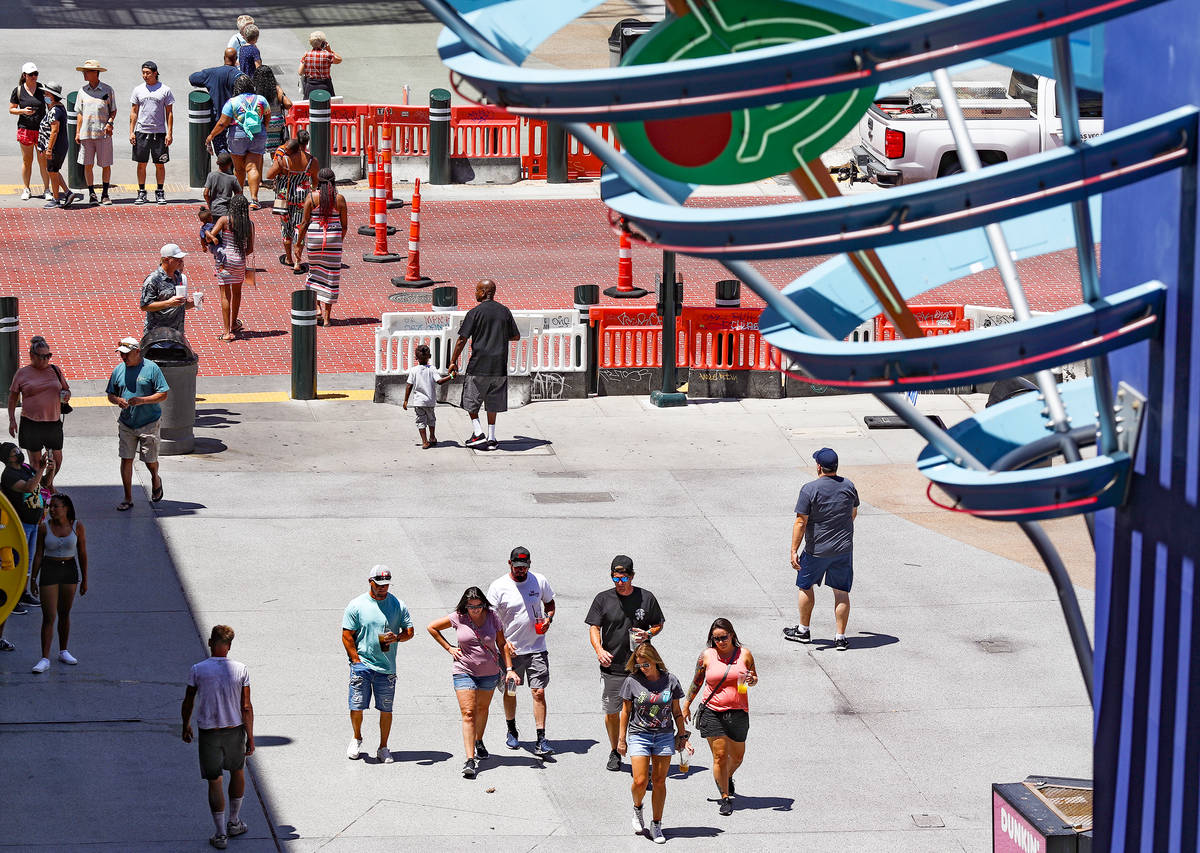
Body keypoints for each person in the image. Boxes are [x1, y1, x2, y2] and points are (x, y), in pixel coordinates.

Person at [585, 555, 666, 772]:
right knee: (612, 711)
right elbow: (594, 626)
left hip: (640, 668)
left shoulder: (646, 598)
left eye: (623, 579)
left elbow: (659, 623)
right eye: (615, 578)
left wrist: (648, 633)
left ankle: (642, 756)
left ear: (632, 576)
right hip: (612, 666)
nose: (619, 583)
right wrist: (599, 649)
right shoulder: (603, 599)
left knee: (642, 712)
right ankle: (615, 750)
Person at [427, 586, 515, 779]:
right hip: (464, 670)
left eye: (478, 606)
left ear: (484, 604)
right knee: (468, 713)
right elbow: (431, 627)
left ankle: (479, 740)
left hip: (489, 672)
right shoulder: (459, 617)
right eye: (471, 606)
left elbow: (502, 643)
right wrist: (449, 647)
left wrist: (509, 669)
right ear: (465, 606)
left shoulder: (492, 616)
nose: (475, 610)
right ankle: (469, 759)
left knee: (482, 709)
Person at [181, 625, 254, 851]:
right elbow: (246, 707)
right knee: (238, 772)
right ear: (229, 646)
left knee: (215, 781)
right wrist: (250, 737)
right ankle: (234, 821)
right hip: (234, 730)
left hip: (209, 732)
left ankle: (220, 834)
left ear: (211, 642)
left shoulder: (198, 669)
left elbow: (188, 701)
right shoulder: (241, 669)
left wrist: (185, 725)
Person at [783, 447, 860, 651]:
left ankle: (803, 630)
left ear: (818, 466)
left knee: (805, 586)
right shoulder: (849, 486)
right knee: (841, 592)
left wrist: (793, 550)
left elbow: (801, 521)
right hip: (843, 549)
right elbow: (853, 513)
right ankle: (841, 637)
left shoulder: (810, 489)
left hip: (816, 550)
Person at [680, 619, 758, 816]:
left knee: (737, 757)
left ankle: (727, 776)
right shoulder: (707, 656)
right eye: (715, 639)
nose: (720, 642)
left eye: (724, 637)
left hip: (738, 712)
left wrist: (752, 680)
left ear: (732, 635)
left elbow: (752, 678)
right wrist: (686, 705)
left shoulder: (745, 654)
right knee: (720, 756)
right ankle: (725, 797)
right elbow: (697, 681)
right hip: (712, 712)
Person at [486, 546, 556, 756]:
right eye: (517, 567)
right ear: (510, 564)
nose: (520, 571)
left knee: (539, 692)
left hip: (537, 648)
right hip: (510, 650)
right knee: (510, 691)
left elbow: (550, 603)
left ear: (529, 565)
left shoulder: (539, 580)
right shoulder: (499, 586)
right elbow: (489, 618)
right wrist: (503, 642)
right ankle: (511, 730)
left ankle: (541, 738)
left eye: (524, 567)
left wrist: (548, 619)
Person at [342, 566, 414, 764]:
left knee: (386, 709)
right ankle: (356, 738)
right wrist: (355, 660)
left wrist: (397, 637)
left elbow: (410, 631)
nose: (383, 588)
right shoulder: (357, 605)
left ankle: (383, 747)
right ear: (370, 582)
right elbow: (347, 635)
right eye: (379, 584)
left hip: (387, 667)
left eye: (386, 585)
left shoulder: (398, 605)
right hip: (362, 665)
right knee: (356, 705)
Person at [618, 642, 688, 845]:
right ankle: (637, 808)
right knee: (640, 780)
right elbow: (625, 712)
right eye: (639, 666)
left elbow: (676, 712)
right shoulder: (632, 681)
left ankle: (656, 823)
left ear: (655, 661)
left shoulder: (670, 680)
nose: (642, 669)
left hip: (664, 735)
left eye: (645, 665)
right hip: (639, 734)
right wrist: (621, 740)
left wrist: (682, 736)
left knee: (659, 781)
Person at [449, 280, 520, 448]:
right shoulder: (505, 312)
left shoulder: (475, 313)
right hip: (499, 367)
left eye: (476, 290)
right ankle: (492, 438)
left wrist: (453, 361)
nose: (475, 293)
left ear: (484, 292)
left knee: (470, 401)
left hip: (479, 365)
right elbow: (515, 336)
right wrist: (499, 337)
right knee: (493, 403)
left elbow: (461, 340)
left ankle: (478, 432)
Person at [105, 337, 168, 511]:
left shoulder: (151, 369)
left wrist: (141, 400)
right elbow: (110, 394)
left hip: (149, 422)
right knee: (126, 458)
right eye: (121, 355)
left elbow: (163, 394)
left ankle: (155, 478)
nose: (123, 358)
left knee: (150, 460)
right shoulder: (118, 370)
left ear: (137, 352)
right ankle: (127, 497)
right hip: (127, 423)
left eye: (127, 354)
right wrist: (118, 400)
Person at [30, 493, 87, 674]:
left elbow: (82, 553)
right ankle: (44, 657)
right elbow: (38, 554)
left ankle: (63, 650)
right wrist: (33, 578)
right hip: (50, 569)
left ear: (66, 508)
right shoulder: (44, 528)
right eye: (51, 506)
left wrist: (85, 579)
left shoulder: (77, 526)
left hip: (69, 569)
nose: (52, 510)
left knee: (65, 613)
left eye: (56, 506)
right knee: (49, 615)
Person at [8, 335, 69, 496]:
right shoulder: (22, 373)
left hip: (53, 422)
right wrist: (12, 419)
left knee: (57, 459)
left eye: (48, 356)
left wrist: (66, 394)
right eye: (42, 356)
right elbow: (13, 397)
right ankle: (37, 488)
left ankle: (47, 484)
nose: (45, 359)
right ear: (32, 356)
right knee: (36, 463)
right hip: (31, 423)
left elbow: (66, 388)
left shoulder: (55, 370)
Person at [206, 76, 269, 209]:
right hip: (258, 134)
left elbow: (223, 123)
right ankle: (254, 199)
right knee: (253, 167)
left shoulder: (232, 102)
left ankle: (238, 198)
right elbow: (267, 114)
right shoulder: (261, 99)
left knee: (239, 169)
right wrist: (264, 129)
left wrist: (211, 135)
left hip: (237, 135)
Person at [0, 441, 48, 611]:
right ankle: (12, 598)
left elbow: (41, 483)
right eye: (15, 452)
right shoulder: (8, 475)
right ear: (7, 458)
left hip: (33, 521)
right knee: (17, 562)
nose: (19, 453)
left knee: (27, 561)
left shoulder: (26, 468)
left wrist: (49, 468)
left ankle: (23, 593)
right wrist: (41, 469)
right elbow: (29, 487)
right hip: (20, 524)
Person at [295, 167, 347, 326]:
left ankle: (316, 306)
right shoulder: (339, 199)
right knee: (331, 276)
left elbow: (304, 224)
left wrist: (298, 245)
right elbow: (344, 226)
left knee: (314, 272)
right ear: (334, 181)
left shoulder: (311, 197)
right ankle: (326, 318)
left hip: (315, 238)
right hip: (333, 238)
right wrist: (338, 239)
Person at [264, 131, 317, 272]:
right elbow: (315, 183)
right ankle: (298, 262)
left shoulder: (285, 159)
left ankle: (288, 258)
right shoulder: (312, 161)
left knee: (286, 227)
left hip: (285, 197)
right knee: (300, 228)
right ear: (306, 143)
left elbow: (269, 175)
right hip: (302, 199)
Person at [206, 194, 254, 342]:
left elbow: (210, 237)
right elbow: (250, 249)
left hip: (224, 261)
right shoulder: (249, 224)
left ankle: (226, 332)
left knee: (225, 295)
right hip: (240, 261)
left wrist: (210, 236)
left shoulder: (225, 220)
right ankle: (234, 323)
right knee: (237, 293)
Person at [129, 61, 175, 205]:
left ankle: (160, 191)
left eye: (148, 73)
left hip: (159, 133)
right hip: (141, 132)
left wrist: (169, 133)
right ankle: (141, 192)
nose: (145, 75)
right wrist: (131, 132)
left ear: (155, 73)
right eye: (143, 72)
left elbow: (169, 113)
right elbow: (134, 112)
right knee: (141, 163)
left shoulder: (165, 90)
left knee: (159, 164)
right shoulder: (138, 90)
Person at [74, 59, 117, 205]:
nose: (84, 74)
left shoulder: (107, 90)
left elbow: (113, 110)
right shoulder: (82, 91)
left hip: (103, 133)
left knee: (105, 164)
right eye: (84, 72)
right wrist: (77, 132)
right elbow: (79, 113)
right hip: (87, 133)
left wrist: (110, 123)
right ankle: (92, 193)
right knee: (87, 164)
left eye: (86, 72)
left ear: (95, 73)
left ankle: (105, 193)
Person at [188, 49, 245, 156]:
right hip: (237, 123)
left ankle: (225, 169)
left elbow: (193, 78)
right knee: (238, 156)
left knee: (222, 151)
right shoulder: (240, 76)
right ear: (236, 59)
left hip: (218, 122)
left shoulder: (212, 73)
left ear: (224, 58)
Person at [402, 345, 454, 448]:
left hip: (418, 402)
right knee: (431, 419)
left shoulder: (413, 370)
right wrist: (451, 376)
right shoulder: (432, 369)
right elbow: (439, 381)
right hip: (430, 401)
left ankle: (425, 441)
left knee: (420, 421)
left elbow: (409, 385)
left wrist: (405, 400)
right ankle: (432, 437)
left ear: (416, 358)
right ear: (429, 356)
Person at [10, 62, 47, 201]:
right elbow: (11, 108)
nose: (34, 77)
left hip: (41, 129)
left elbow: (51, 103)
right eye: (31, 74)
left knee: (43, 161)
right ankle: (26, 188)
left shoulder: (42, 89)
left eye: (36, 74)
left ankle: (47, 189)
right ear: (24, 75)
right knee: (27, 160)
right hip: (25, 128)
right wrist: (22, 111)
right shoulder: (18, 90)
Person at [37, 83, 76, 209]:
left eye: (46, 94)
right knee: (54, 171)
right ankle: (68, 193)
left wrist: (49, 149)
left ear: (53, 96)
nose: (44, 96)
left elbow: (54, 131)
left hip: (55, 148)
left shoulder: (55, 111)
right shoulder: (57, 107)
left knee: (52, 172)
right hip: (57, 147)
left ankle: (56, 199)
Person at [141, 244, 196, 334]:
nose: (181, 262)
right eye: (177, 259)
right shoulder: (153, 279)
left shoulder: (179, 277)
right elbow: (145, 306)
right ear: (166, 260)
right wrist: (169, 303)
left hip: (177, 334)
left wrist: (193, 303)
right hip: (157, 334)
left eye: (181, 259)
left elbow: (181, 306)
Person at [253, 66, 291, 151]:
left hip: (262, 123)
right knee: (275, 152)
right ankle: (275, 163)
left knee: (259, 152)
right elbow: (288, 104)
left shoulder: (255, 90)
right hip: (276, 123)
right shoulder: (276, 89)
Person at [299, 31, 342, 99]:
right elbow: (339, 60)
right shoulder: (327, 55)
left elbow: (300, 72)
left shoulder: (306, 55)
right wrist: (329, 50)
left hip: (310, 86)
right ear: (322, 43)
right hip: (325, 85)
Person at [203, 152, 242, 219]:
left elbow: (205, 193)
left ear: (217, 162)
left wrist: (210, 204)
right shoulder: (232, 178)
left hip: (214, 209)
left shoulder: (211, 175)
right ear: (230, 164)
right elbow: (239, 194)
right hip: (226, 210)